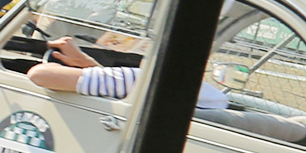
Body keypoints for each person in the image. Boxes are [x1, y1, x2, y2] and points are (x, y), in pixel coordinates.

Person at [26, 36, 228, 109]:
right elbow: (113, 83)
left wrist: (50, 45)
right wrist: (85, 63)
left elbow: (40, 75)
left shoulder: (146, 79)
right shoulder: (214, 97)